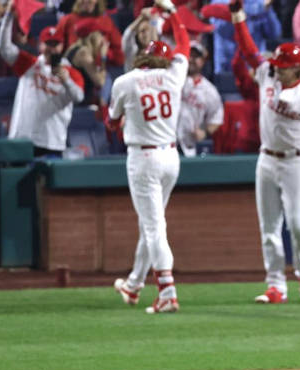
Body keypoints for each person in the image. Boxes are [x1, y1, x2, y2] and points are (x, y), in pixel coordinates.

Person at [230, 0, 300, 304]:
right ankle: (275, 285)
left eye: (283, 67)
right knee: (269, 227)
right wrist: (238, 16)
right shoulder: (267, 73)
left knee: (297, 224)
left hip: (295, 161)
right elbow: (248, 48)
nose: (276, 70)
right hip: (266, 159)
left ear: (298, 68)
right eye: (277, 66)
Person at [109, 0, 189, 314]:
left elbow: (111, 123)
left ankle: (167, 291)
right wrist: (172, 14)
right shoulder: (174, 76)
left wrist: (124, 121)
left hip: (143, 159)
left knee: (155, 227)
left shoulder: (125, 82)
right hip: (171, 157)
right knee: (151, 225)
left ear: (144, 56)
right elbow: (183, 43)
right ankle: (133, 284)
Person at [0, 6, 85, 157]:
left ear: (62, 46)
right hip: (23, 137)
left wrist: (66, 80)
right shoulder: (30, 64)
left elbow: (79, 97)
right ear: (40, 45)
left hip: (52, 140)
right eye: (47, 43)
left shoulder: (72, 73)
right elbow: (3, 47)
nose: (51, 48)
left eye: (55, 44)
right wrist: (8, 17)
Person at [203, 0, 282, 74]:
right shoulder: (219, 1)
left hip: (255, 67)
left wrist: (268, 11)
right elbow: (230, 14)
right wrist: (259, 8)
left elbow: (274, 34)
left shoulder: (259, 2)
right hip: (227, 66)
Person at [177, 41, 224, 156]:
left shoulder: (210, 90)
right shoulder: (172, 80)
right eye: (189, 56)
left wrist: (204, 132)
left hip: (189, 146)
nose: (192, 60)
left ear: (203, 61)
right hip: (166, 143)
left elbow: (216, 119)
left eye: (196, 57)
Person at [54, 0, 125, 68]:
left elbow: (119, 57)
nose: (86, 1)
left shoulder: (106, 21)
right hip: (72, 71)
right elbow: (55, 47)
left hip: (99, 69)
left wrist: (104, 55)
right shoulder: (67, 20)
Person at [65, 18, 111, 106]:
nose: (103, 38)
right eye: (100, 34)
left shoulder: (74, 48)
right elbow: (100, 82)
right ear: (93, 36)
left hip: (78, 103)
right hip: (80, 107)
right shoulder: (83, 53)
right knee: (107, 78)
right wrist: (103, 57)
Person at [121, 7, 159, 73]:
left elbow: (155, 42)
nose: (145, 34)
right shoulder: (132, 51)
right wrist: (141, 17)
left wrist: (153, 19)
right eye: (142, 31)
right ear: (137, 36)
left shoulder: (158, 51)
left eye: (148, 30)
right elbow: (127, 35)